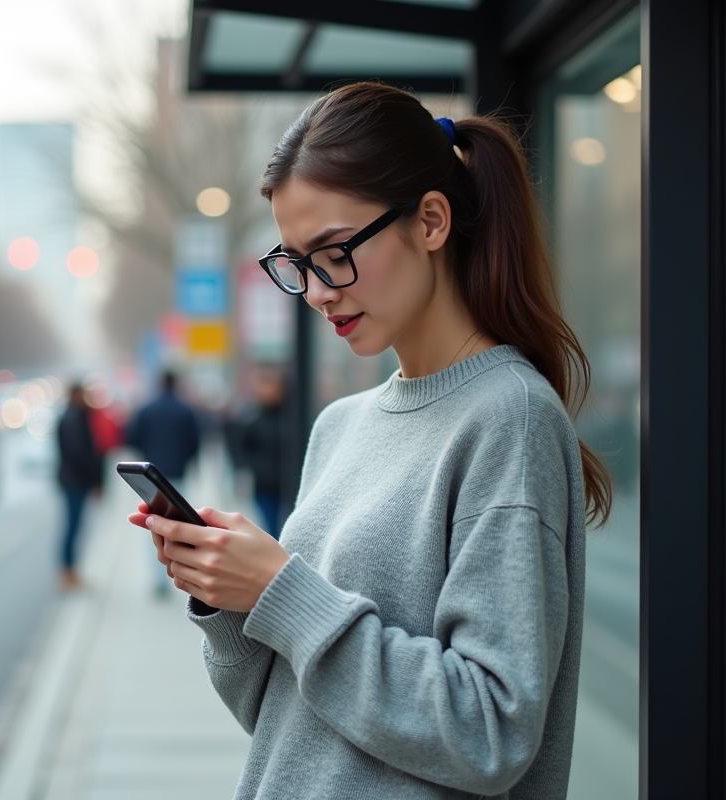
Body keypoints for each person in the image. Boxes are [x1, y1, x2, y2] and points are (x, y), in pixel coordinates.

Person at [127, 82, 612, 799]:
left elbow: (491, 733)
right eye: (295, 263)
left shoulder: (509, 417)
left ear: (432, 222)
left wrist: (281, 589)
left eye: (333, 252)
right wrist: (231, 602)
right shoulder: (340, 426)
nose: (318, 290)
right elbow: (283, 716)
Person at [127, 370, 200, 594]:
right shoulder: (185, 410)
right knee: (179, 524)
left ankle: (159, 577)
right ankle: (179, 572)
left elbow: (131, 438)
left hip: (152, 476)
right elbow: (195, 443)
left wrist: (147, 456)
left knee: (153, 524)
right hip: (177, 474)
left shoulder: (146, 410)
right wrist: (185, 461)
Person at [56, 382, 103, 590]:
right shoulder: (74, 418)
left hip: (71, 479)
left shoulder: (72, 416)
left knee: (73, 526)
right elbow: (79, 454)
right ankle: (67, 572)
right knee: (73, 527)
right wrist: (94, 479)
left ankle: (69, 571)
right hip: (75, 481)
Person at [235, 367, 287, 538]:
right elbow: (240, 450)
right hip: (264, 485)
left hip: (288, 483)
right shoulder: (253, 418)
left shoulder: (290, 417)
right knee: (271, 528)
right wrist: (255, 468)